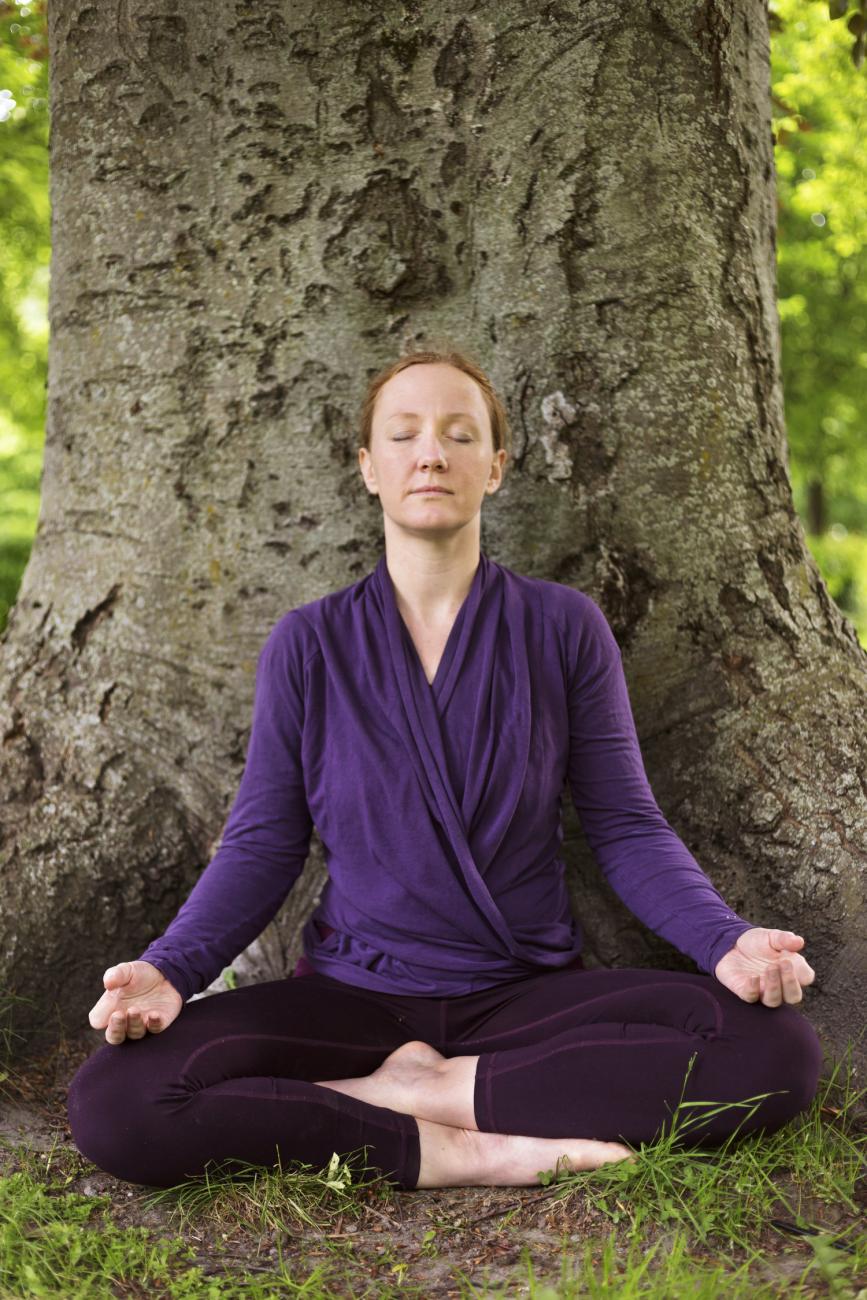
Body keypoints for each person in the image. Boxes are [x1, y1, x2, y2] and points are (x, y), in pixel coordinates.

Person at [67, 348, 823, 1192]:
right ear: (369, 468)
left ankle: (431, 1094)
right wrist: (171, 969)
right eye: (403, 435)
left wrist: (724, 942)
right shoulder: (309, 644)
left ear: (494, 468)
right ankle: (460, 1148)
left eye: (459, 435)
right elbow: (263, 842)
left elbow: (624, 826)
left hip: (522, 1000)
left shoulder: (562, 627)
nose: (431, 453)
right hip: (353, 999)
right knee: (116, 1100)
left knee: (776, 1049)